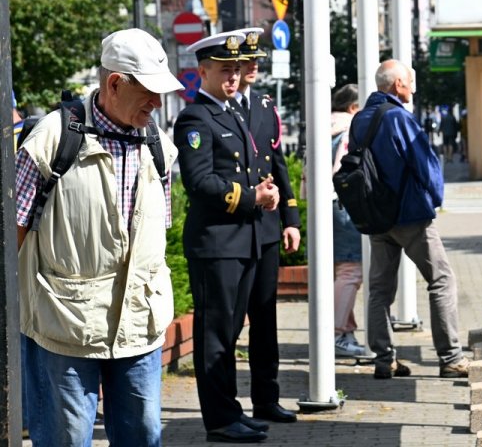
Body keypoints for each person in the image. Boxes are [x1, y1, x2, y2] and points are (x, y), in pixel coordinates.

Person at [15, 28, 183, 446]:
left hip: (140, 325)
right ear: (114, 83)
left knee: (143, 435)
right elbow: (12, 234)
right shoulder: (52, 139)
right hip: (65, 326)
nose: (157, 103)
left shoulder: (158, 144)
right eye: (148, 91)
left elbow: (156, 230)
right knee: (66, 438)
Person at [174, 31, 280, 444]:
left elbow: (253, 167)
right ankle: (219, 418)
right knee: (215, 336)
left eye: (236, 69)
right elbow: (199, 181)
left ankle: (231, 410)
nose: (233, 77)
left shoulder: (234, 111)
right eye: (224, 70)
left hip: (243, 239)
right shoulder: (195, 118)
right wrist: (253, 197)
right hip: (217, 243)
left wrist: (267, 194)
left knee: (231, 333)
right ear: (203, 72)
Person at [351, 59, 469, 379]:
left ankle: (383, 359)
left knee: (379, 290)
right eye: (408, 81)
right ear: (397, 85)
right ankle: (451, 357)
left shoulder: (360, 119)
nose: (412, 86)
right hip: (410, 216)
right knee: (442, 280)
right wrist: (435, 200)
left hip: (377, 217)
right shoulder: (399, 118)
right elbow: (425, 165)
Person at [234, 27, 302, 423]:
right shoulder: (221, 108)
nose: (254, 66)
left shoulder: (263, 105)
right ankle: (229, 404)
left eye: (257, 60)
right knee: (230, 323)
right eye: (248, 61)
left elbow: (278, 167)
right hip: (235, 227)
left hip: (267, 228)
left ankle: (266, 398)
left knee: (265, 318)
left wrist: (291, 220)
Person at [329, 84, 367, 358]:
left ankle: (345, 331)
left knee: (341, 270)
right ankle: (338, 333)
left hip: (328, 205)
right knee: (351, 271)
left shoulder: (325, 126)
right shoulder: (348, 131)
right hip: (343, 205)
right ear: (353, 108)